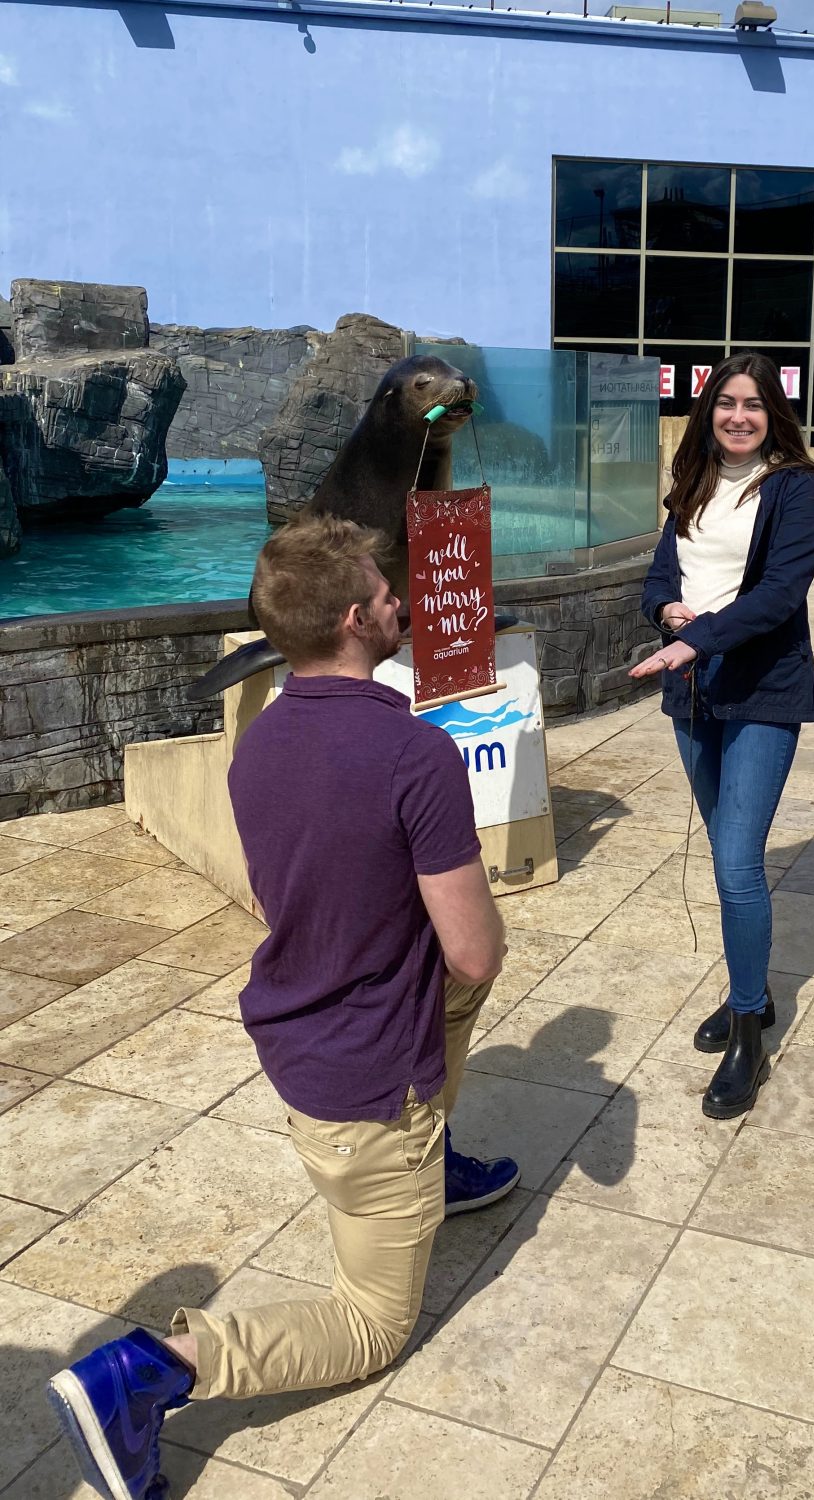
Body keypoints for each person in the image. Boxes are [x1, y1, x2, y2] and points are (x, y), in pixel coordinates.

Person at [47, 515, 517, 1500]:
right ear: (356, 619)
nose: (403, 602)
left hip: (295, 1036)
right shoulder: (417, 756)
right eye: (389, 594)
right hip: (368, 1087)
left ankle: (440, 1156)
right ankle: (156, 1371)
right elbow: (473, 948)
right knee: (373, 1325)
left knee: (450, 994)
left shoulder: (257, 743)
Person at [630, 352, 814, 1120]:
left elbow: (780, 597)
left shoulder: (797, 490)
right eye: (726, 402)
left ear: (772, 412)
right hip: (693, 691)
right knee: (727, 858)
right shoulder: (691, 484)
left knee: (736, 863)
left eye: (753, 404)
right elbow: (659, 577)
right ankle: (748, 991)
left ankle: (748, 1028)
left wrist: (695, 639)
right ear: (707, 409)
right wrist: (666, 616)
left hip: (760, 691)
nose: (739, 416)